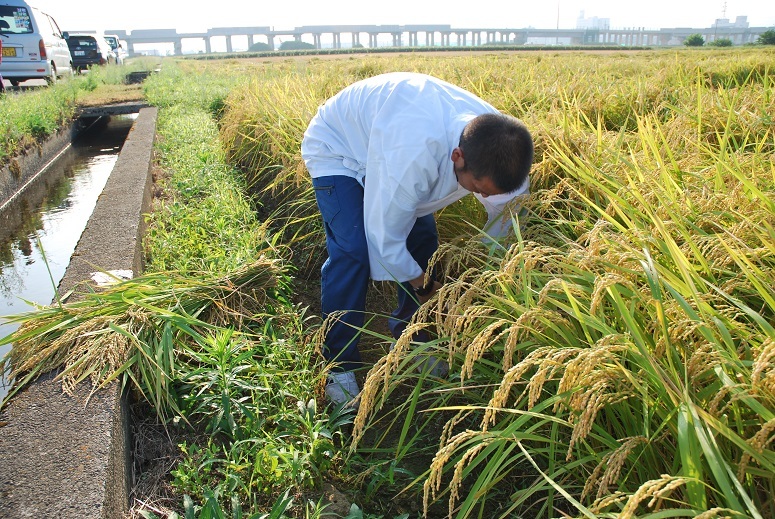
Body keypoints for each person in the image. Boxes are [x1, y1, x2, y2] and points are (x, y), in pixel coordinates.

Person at [301, 72, 533, 406]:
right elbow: (385, 237)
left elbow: (505, 220)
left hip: (391, 141)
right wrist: (426, 288)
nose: (483, 196)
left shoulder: (502, 145)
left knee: (424, 240)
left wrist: (486, 277)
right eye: (478, 188)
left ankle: (415, 339)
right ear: (458, 157)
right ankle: (340, 365)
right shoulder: (413, 152)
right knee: (354, 250)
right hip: (340, 147)